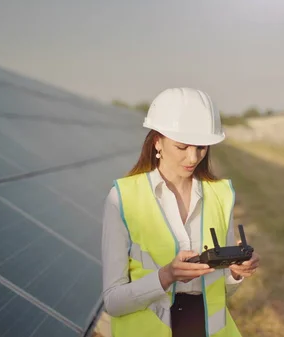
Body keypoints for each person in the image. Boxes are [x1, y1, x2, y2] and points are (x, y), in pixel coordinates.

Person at [101, 87, 260, 337]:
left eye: (201, 147)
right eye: (182, 146)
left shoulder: (221, 195)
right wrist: (165, 277)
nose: (193, 157)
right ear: (157, 141)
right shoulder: (122, 198)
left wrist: (235, 273)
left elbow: (222, 292)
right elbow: (113, 301)